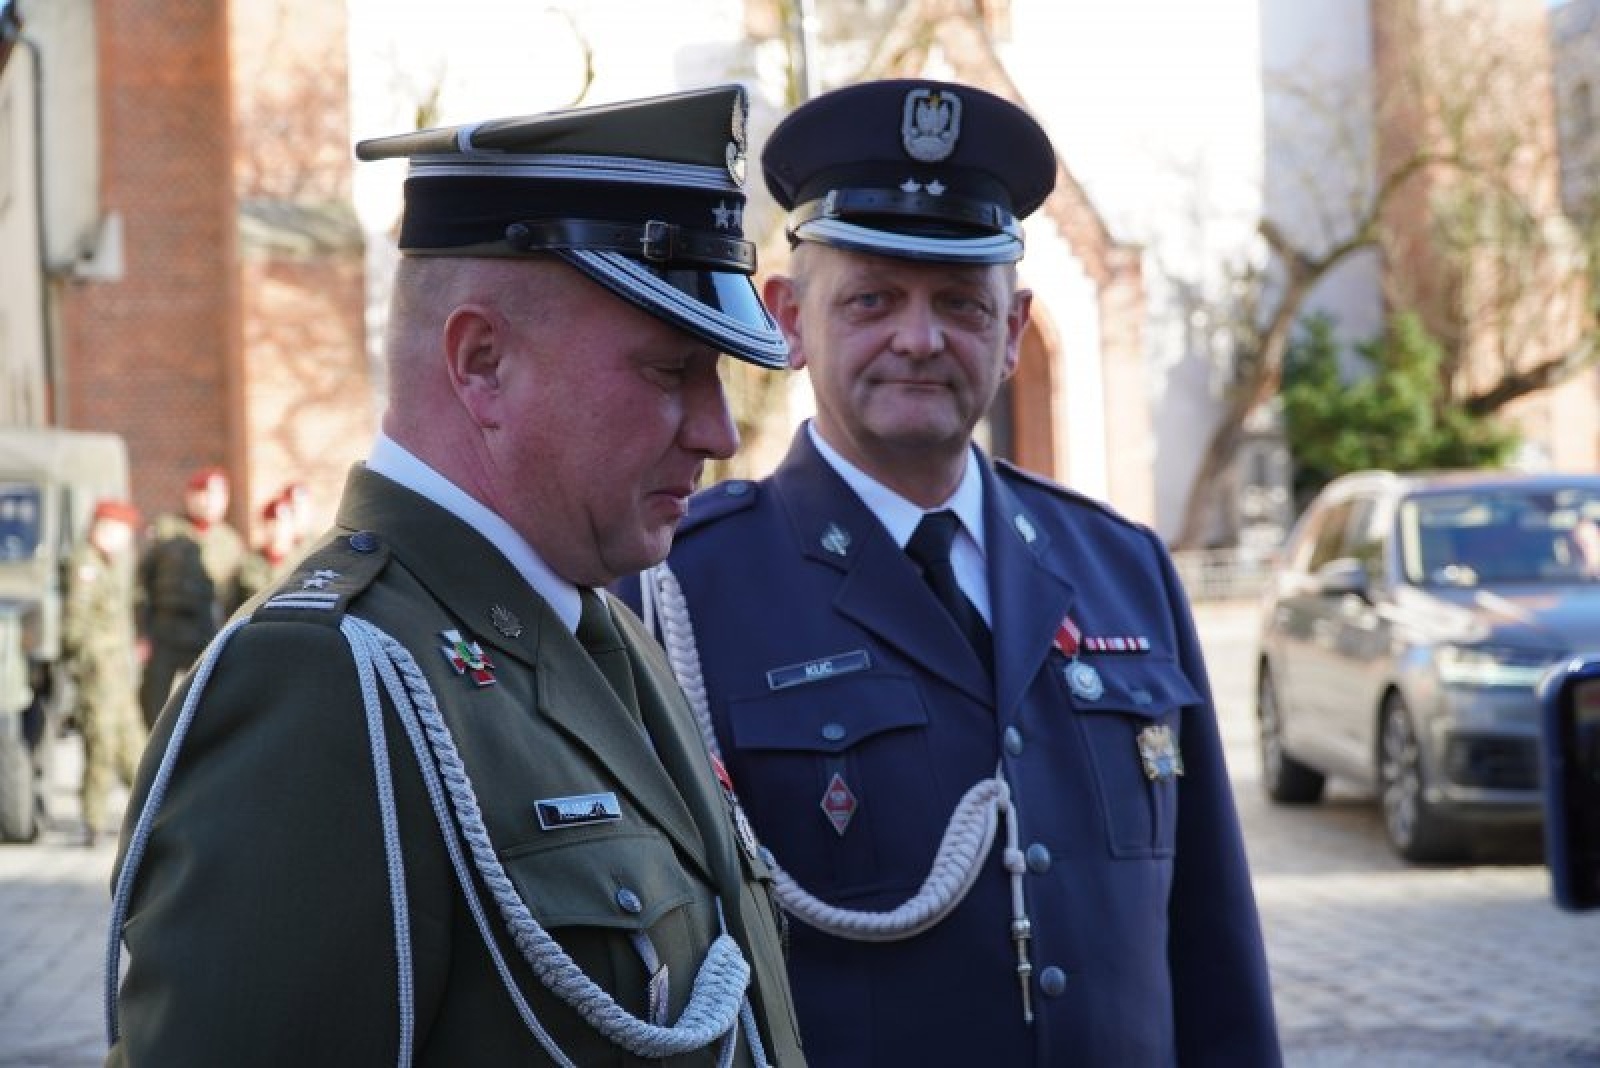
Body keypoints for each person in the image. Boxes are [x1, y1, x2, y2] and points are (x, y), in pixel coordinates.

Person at [105, 86, 803, 1067]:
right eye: (668, 369)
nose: (718, 432)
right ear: (482, 363)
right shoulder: (327, 684)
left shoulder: (606, 634)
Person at [619, 79, 1281, 1066]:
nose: (919, 340)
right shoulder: (681, 595)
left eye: (960, 304)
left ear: (1011, 332)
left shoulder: (1122, 570)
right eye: (873, 299)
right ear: (790, 321)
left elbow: (1211, 943)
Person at [62, 499, 146, 845]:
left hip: (117, 669)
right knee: (102, 742)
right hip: (99, 671)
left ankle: (146, 809)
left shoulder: (108, 562)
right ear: (105, 529)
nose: (127, 540)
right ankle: (94, 821)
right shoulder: (87, 563)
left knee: (134, 741)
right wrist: (90, 663)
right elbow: (75, 628)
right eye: (123, 532)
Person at [134, 465, 246, 726]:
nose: (209, 502)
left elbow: (234, 598)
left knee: (206, 709)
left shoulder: (230, 543)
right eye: (203, 494)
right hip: (165, 633)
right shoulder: (166, 531)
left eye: (217, 495)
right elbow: (141, 584)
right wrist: (141, 632)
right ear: (190, 496)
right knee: (156, 712)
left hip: (206, 634)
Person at [236, 492, 302, 603]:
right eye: (271, 522)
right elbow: (254, 593)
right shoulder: (251, 562)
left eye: (282, 522)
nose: (277, 528)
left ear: (292, 524)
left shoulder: (303, 561)